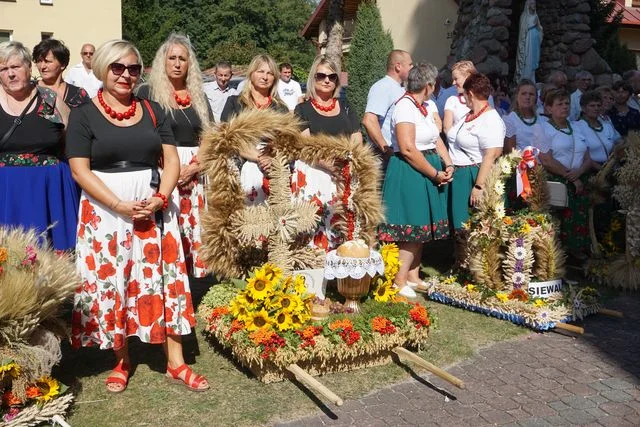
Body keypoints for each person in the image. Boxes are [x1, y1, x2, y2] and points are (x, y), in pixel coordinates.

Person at [66, 39, 208, 393]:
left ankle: (176, 362)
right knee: (116, 280)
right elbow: (80, 171)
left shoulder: (152, 108)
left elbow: (171, 159)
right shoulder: (84, 114)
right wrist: (117, 205)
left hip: (154, 205)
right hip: (106, 211)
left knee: (166, 278)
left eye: (132, 68)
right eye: (118, 68)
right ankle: (122, 360)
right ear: (102, 68)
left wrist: (162, 197)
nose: (126, 75)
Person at [137, 33, 212, 278]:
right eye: (172, 58)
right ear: (163, 61)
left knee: (192, 226)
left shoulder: (198, 95)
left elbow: (209, 135)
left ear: (190, 64)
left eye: (182, 58)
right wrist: (168, 166)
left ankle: (191, 282)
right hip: (161, 166)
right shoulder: (147, 92)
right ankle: (166, 275)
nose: (177, 63)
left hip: (194, 169)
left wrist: (194, 166)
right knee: (166, 224)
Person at [378, 63, 453, 298]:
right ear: (428, 85)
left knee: (422, 228)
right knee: (411, 227)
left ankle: (412, 275)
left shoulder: (426, 106)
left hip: (428, 167)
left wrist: (448, 163)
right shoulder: (404, 107)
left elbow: (435, 139)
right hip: (411, 170)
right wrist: (434, 173)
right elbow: (408, 148)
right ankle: (398, 281)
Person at [0, 41, 78, 250]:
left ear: (28, 67)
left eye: (15, 67)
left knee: (53, 262)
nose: (11, 74)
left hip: (51, 190)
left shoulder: (50, 100)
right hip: (7, 194)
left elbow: (71, 141)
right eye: (3, 69)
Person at [290, 55, 361, 251]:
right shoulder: (302, 109)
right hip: (314, 172)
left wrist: (347, 167)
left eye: (332, 76)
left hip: (344, 174)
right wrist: (330, 166)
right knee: (313, 230)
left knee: (342, 227)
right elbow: (305, 144)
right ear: (313, 79)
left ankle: (340, 280)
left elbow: (357, 138)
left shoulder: (346, 106)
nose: (327, 80)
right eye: (321, 76)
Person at [220, 54, 288, 205]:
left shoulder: (281, 108)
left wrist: (272, 158)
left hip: (272, 171)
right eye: (260, 71)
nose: (265, 77)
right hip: (239, 168)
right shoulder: (235, 103)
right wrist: (258, 156)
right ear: (251, 74)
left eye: (270, 73)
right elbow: (225, 137)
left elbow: (288, 142)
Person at [447, 73, 504, 232]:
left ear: (470, 94)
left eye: (464, 95)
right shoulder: (469, 114)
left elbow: (491, 154)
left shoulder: (490, 118)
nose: (463, 99)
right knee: (461, 231)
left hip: (475, 176)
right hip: (461, 177)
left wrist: (479, 186)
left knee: (475, 229)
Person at [539, 89, 591, 258]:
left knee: (580, 219)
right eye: (559, 104)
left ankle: (577, 252)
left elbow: (587, 157)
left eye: (567, 103)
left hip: (578, 179)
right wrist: (570, 176)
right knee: (559, 221)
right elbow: (546, 160)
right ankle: (558, 258)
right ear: (548, 108)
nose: (564, 107)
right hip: (558, 181)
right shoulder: (543, 129)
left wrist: (579, 173)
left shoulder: (576, 127)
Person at [361, 50, 413, 165]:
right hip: (384, 157)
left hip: (396, 154)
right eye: (410, 64)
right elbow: (369, 120)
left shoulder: (400, 88)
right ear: (398, 66)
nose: (412, 67)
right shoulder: (383, 87)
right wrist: (385, 150)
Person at [33, 39, 90, 108]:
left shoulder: (78, 95)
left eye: (47, 61)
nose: (42, 66)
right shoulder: (29, 90)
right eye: (39, 61)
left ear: (62, 64)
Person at [573, 91, 622, 169]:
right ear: (583, 108)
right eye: (592, 106)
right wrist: (601, 170)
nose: (596, 108)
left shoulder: (607, 126)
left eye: (598, 105)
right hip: (590, 170)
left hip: (610, 168)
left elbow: (617, 145)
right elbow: (581, 154)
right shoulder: (576, 126)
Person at [443, 60, 495, 134]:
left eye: (456, 79)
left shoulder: (487, 98)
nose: (453, 83)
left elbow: (490, 123)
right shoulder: (452, 100)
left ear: (468, 77)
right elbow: (447, 129)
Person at [503, 79, 547, 154]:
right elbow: (510, 153)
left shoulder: (544, 121)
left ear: (536, 98)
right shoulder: (510, 120)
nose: (527, 97)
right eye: (524, 94)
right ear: (517, 96)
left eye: (531, 94)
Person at [515, 0, 543, 84]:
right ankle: (525, 78)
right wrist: (532, 25)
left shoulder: (536, 16)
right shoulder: (524, 16)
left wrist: (539, 30)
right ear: (528, 5)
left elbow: (540, 28)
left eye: (534, 4)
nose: (534, 5)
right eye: (532, 4)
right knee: (527, 59)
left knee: (533, 59)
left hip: (534, 41)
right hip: (527, 41)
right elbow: (523, 30)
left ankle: (531, 78)